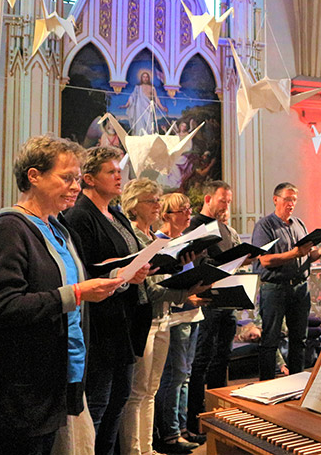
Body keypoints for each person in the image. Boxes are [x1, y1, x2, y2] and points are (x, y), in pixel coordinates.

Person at [0, 136, 124, 455]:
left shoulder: (59, 228)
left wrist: (110, 281)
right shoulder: (11, 228)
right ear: (33, 176)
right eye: (67, 178)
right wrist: (76, 293)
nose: (76, 186)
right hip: (26, 386)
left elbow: (71, 286)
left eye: (78, 178)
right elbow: (4, 306)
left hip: (64, 375)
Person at [62, 146, 154, 455]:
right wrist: (121, 272)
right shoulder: (79, 215)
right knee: (98, 405)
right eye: (111, 172)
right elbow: (81, 267)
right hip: (100, 323)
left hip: (124, 319)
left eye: (120, 171)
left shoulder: (115, 213)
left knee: (120, 398)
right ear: (88, 178)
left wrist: (139, 268)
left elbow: (127, 255)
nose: (119, 176)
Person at [121, 179, 205, 455]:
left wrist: (188, 287)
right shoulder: (135, 237)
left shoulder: (153, 238)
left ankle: (146, 448)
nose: (158, 205)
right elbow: (148, 287)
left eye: (159, 200)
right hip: (144, 318)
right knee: (138, 392)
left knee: (151, 389)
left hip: (163, 317)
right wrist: (183, 291)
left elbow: (161, 284)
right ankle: (135, 450)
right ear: (134, 205)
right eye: (152, 201)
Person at [251, 183, 321, 380]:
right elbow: (265, 260)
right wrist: (294, 253)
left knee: (299, 339)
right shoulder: (265, 226)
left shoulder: (299, 224)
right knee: (271, 339)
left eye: (294, 200)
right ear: (276, 199)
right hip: (275, 288)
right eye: (287, 199)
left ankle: (296, 382)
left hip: (300, 288)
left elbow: (307, 256)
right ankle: (266, 384)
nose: (291, 204)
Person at [185, 180, 239, 439]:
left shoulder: (224, 228)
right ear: (208, 199)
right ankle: (196, 420)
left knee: (223, 358)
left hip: (227, 297)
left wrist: (243, 258)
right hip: (205, 299)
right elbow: (200, 261)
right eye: (222, 200)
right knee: (201, 361)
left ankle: (220, 415)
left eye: (229, 201)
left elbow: (227, 258)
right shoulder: (195, 225)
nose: (226, 205)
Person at [154, 193, 205, 453]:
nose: (188, 214)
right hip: (174, 314)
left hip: (192, 312)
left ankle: (183, 427)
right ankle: (170, 433)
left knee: (185, 375)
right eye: (182, 210)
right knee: (173, 376)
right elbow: (163, 283)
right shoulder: (160, 242)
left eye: (188, 209)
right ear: (166, 215)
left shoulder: (185, 241)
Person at [122, 68, 168, 135]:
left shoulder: (152, 88)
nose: (145, 78)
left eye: (147, 77)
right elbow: (132, 97)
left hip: (148, 108)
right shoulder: (137, 88)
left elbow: (156, 98)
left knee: (149, 125)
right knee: (139, 124)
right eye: (144, 77)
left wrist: (162, 107)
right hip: (139, 109)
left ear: (148, 78)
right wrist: (126, 105)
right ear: (141, 78)